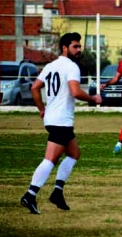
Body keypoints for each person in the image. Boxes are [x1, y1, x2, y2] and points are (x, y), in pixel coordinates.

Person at [20, 32, 102, 214]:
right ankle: (30, 194)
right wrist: (93, 98)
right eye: (75, 46)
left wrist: (41, 109)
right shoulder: (71, 67)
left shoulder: (50, 66)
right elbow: (75, 91)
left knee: (74, 153)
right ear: (65, 48)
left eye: (80, 46)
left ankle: (57, 192)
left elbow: (35, 87)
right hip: (61, 120)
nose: (79, 49)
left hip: (53, 118)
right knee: (51, 159)